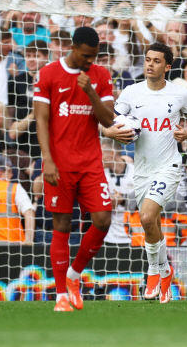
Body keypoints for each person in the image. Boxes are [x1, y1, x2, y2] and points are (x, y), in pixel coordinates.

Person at [33, 27, 121, 311]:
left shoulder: (101, 76)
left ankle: (73, 275)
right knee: (62, 225)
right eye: (85, 56)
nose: (89, 61)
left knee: (103, 220)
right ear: (72, 48)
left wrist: (91, 92)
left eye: (93, 57)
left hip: (91, 162)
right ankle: (60, 295)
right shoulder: (48, 74)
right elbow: (41, 120)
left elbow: (108, 121)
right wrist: (47, 159)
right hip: (59, 164)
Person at [105, 42, 187, 303]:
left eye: (156, 61)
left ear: (167, 67)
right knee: (152, 223)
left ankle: (153, 272)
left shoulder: (180, 94)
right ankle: (166, 270)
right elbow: (110, 124)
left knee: (146, 218)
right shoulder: (130, 93)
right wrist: (113, 132)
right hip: (141, 168)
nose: (150, 64)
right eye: (147, 59)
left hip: (168, 166)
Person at [101, 138, 135, 246]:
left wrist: (123, 200)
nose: (97, 157)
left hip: (134, 237)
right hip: (109, 237)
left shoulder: (136, 172)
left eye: (100, 153)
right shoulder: (100, 174)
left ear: (111, 154)